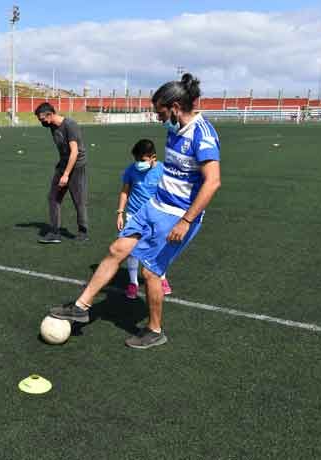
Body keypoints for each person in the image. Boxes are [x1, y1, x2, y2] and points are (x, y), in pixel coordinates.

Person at [49, 74, 221, 349]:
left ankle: (154, 330)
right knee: (117, 250)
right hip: (154, 206)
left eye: (161, 111)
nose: (158, 117)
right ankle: (81, 307)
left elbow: (213, 182)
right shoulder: (174, 127)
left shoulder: (203, 135)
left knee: (151, 273)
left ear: (175, 106)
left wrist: (186, 221)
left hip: (178, 216)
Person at [117, 139, 172, 299]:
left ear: (153, 157)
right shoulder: (131, 170)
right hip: (134, 214)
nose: (138, 163)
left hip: (157, 214)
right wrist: (120, 212)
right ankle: (133, 283)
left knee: (158, 248)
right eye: (136, 160)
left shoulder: (163, 170)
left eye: (142, 160)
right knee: (132, 250)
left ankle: (161, 277)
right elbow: (125, 192)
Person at [34, 102, 89, 243]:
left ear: (50, 115)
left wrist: (66, 174)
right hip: (63, 164)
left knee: (79, 200)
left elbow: (74, 152)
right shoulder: (52, 126)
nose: (42, 122)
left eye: (42, 119)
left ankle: (83, 232)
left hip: (76, 165)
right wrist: (62, 170)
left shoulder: (70, 125)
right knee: (53, 197)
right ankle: (54, 232)